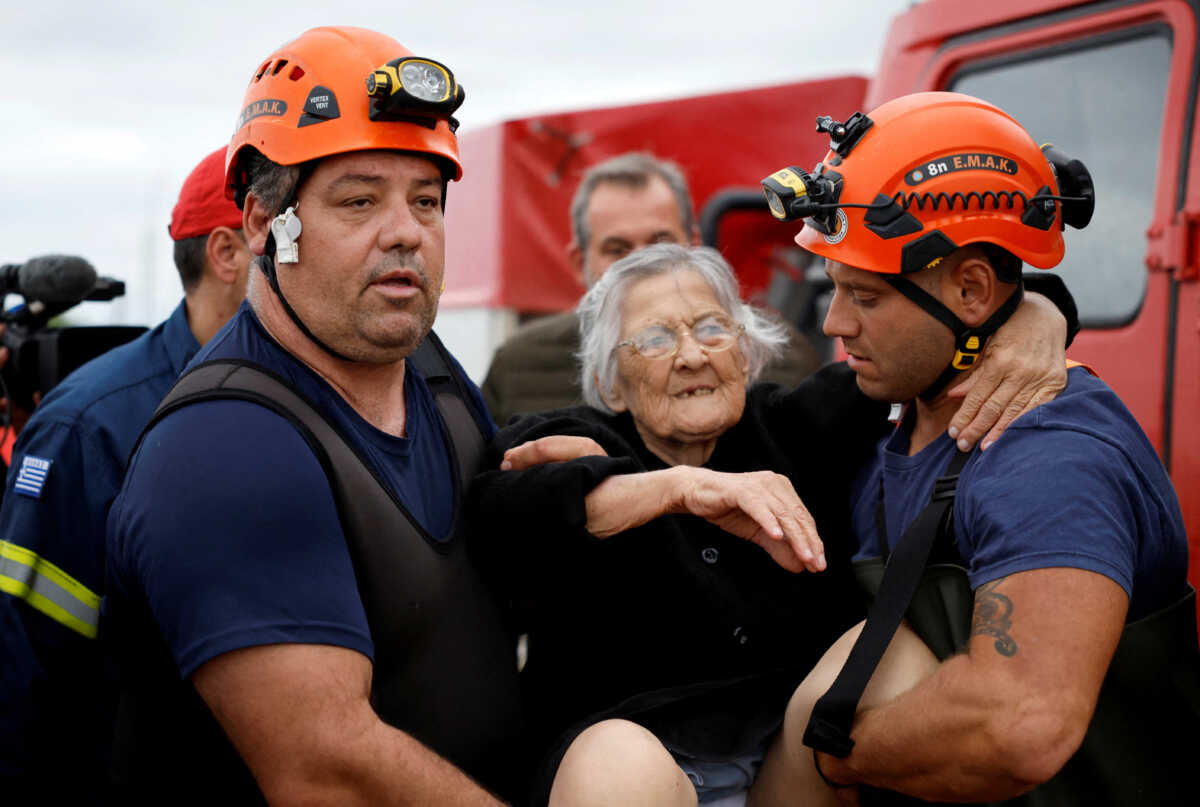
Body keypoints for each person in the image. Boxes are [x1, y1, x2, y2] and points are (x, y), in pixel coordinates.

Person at [471, 240, 1077, 806]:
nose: (691, 356)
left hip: (789, 763)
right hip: (638, 765)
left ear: (746, 349)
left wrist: (1040, 314)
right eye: (655, 340)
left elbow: (923, 341)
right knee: (617, 759)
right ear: (610, 380)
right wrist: (680, 489)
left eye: (712, 329)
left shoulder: (795, 426)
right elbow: (500, 513)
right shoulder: (578, 440)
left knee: (895, 650)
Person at [104, 27, 523, 804]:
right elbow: (327, 771)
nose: (406, 231)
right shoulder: (225, 445)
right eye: (359, 199)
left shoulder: (429, 369)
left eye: (425, 200)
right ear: (266, 224)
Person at [750, 92, 1198, 806]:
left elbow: (1023, 725)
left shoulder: (1051, 460)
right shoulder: (885, 409)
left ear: (970, 288)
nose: (835, 322)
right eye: (834, 287)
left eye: (864, 296)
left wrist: (831, 749)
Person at [0, 145, 251, 789]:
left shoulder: (374, 394)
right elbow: (30, 679)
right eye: (296, 231)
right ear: (227, 252)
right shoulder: (91, 426)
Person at [481, 152, 820, 426]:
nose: (642, 266)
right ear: (578, 262)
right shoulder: (518, 366)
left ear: (695, 245)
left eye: (661, 244)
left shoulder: (782, 356)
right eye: (617, 250)